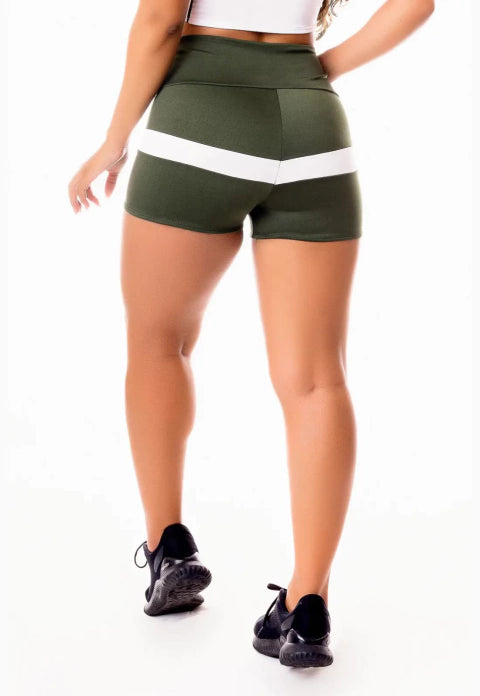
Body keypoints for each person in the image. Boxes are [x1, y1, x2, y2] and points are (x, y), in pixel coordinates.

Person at [68, 0, 435, 669]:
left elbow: (159, 22)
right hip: (313, 125)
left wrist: (113, 142)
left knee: (158, 342)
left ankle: (168, 549)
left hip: (200, 117)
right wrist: (319, 68)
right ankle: (307, 605)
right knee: (317, 380)